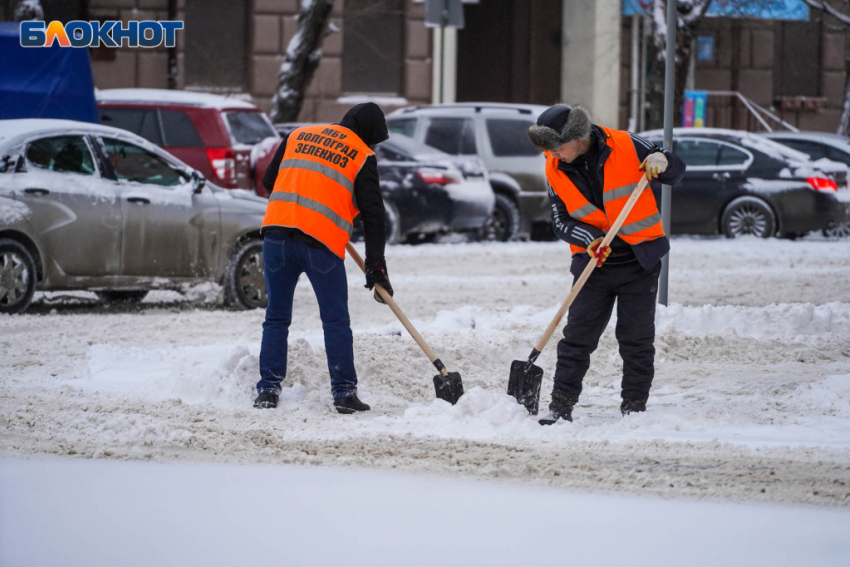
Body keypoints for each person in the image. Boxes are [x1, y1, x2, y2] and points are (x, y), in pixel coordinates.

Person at [526, 104, 685, 425]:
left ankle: (634, 405)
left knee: (636, 338)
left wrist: (663, 161)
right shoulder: (554, 167)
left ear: (578, 138)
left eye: (557, 146)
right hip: (593, 263)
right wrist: (589, 239)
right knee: (577, 338)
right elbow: (560, 219)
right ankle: (560, 406)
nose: (553, 155)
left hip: (639, 260)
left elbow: (675, 170)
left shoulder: (626, 144)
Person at [254, 103, 392, 414]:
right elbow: (373, 214)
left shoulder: (298, 134)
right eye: (374, 140)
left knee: (276, 317)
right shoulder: (360, 154)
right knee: (335, 321)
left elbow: (268, 182)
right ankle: (344, 394)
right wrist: (376, 267)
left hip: (276, 236)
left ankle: (267, 389)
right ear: (368, 134)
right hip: (320, 245)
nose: (372, 146)